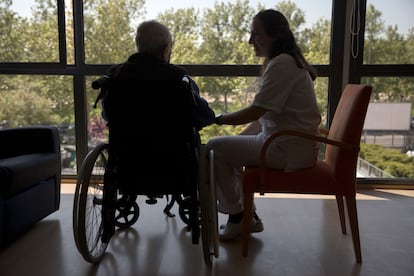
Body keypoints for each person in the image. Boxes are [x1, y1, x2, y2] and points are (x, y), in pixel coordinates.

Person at [207, 9, 322, 241]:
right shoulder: (284, 62)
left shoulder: (282, 64)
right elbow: (265, 117)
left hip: (286, 149)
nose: (250, 40)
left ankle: (240, 218)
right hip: (287, 143)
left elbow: (257, 111)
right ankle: (247, 216)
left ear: (275, 35)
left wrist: (216, 118)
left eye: (256, 34)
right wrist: (237, 139)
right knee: (225, 149)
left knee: (212, 148)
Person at [96, 19, 215, 131]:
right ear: (165, 50)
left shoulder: (116, 76)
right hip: (171, 152)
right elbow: (205, 117)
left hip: (126, 152)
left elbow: (107, 115)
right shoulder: (179, 78)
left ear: (139, 47)